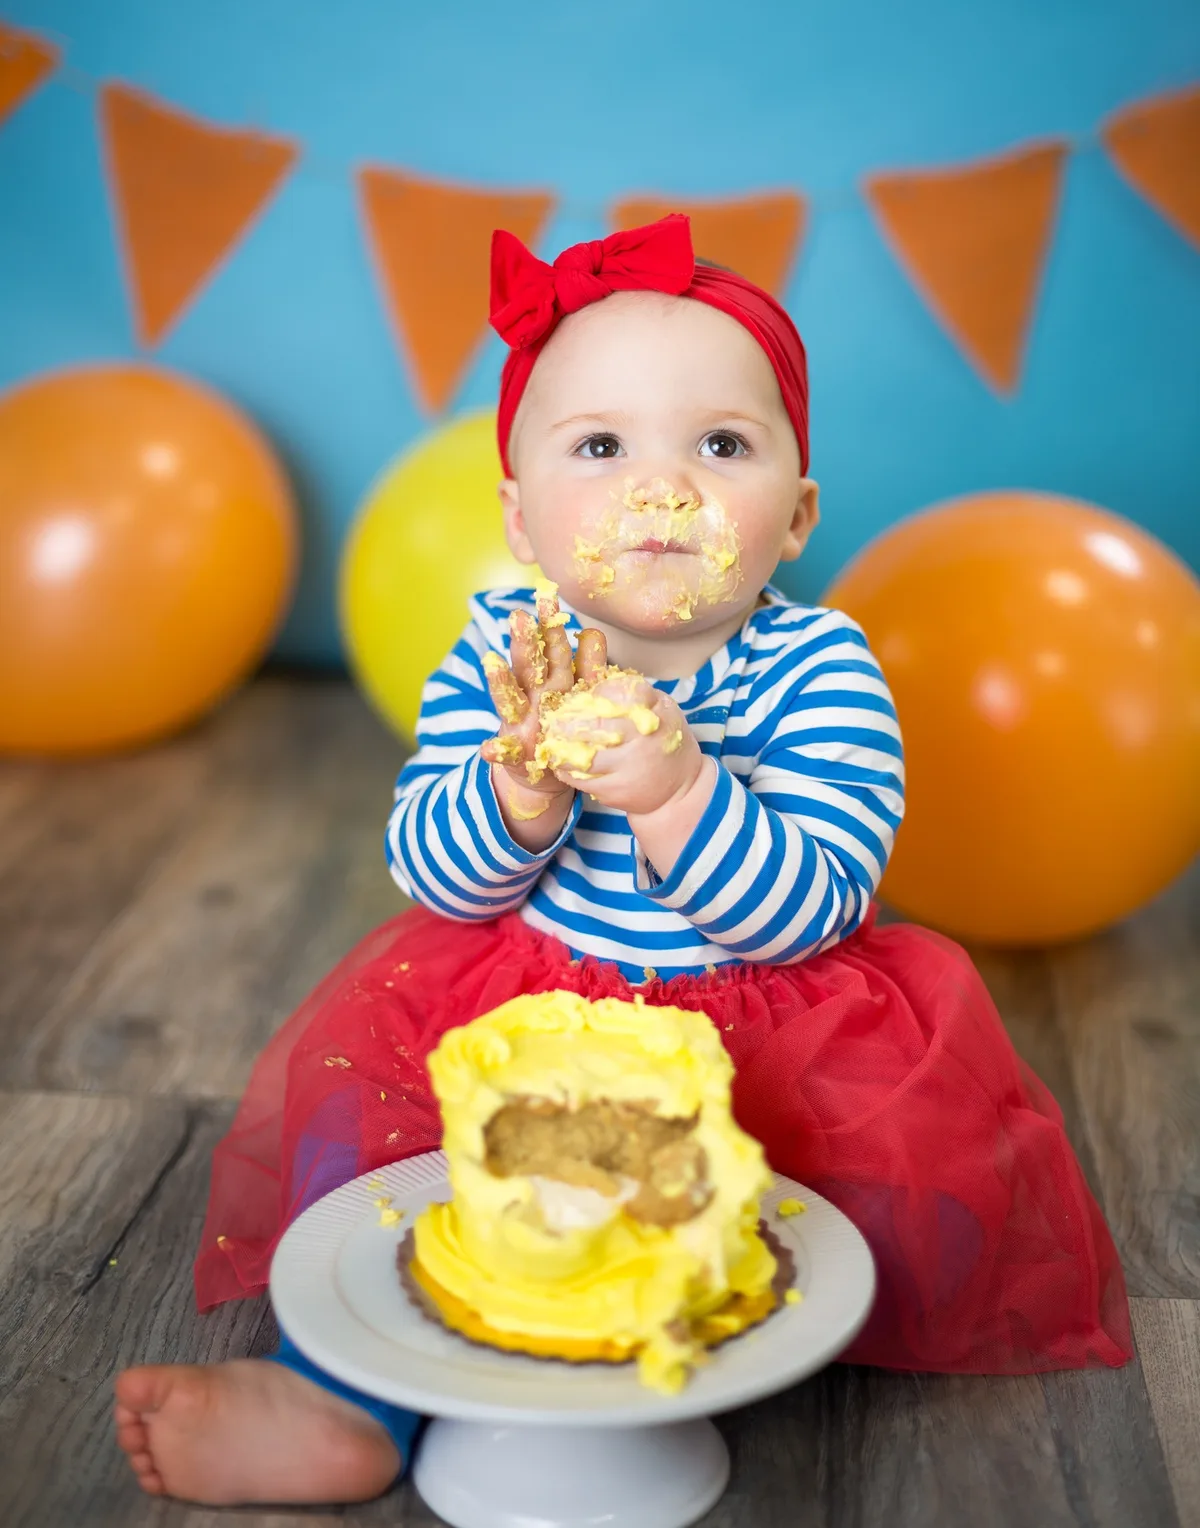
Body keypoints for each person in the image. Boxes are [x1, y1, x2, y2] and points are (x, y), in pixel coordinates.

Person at [114, 215, 1130, 1506]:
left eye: (722, 444)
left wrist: (677, 787)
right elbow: (434, 875)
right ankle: (350, 1402)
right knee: (389, 1177)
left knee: (799, 1225)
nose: (666, 488)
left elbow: (810, 908)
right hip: (522, 1007)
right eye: (599, 446)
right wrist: (517, 793)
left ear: (798, 513)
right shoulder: (499, 658)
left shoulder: (822, 672)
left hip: (763, 1029)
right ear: (522, 521)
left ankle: (692, 1351)